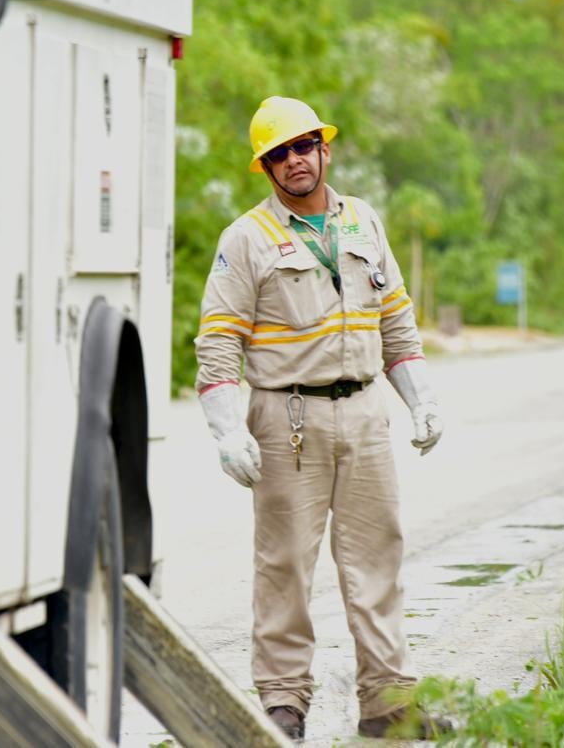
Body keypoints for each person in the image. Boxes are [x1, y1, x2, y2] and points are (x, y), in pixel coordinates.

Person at [194, 96, 450, 741]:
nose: (293, 160)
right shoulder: (246, 238)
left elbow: (395, 319)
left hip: (363, 412)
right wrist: (228, 429)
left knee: (377, 560)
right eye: (277, 154)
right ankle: (283, 704)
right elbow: (219, 340)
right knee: (284, 564)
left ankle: (389, 704)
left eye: (302, 146)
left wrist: (419, 397)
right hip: (288, 418)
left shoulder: (363, 221)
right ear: (265, 167)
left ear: (323, 148)